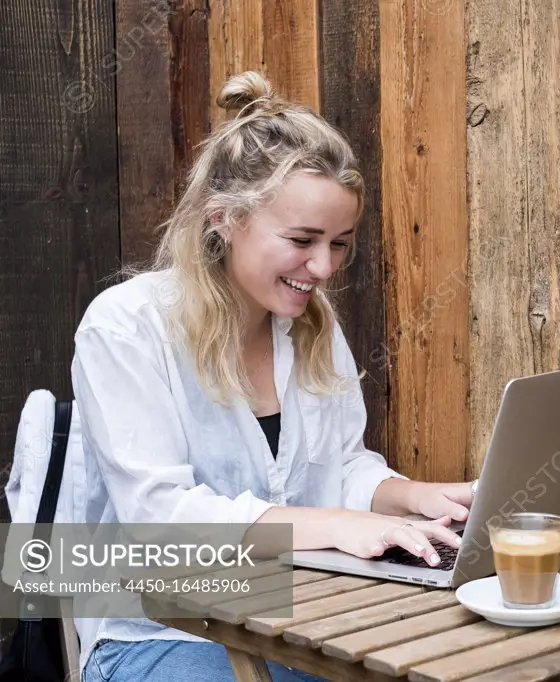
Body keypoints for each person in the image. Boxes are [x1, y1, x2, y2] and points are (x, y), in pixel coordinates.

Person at [70, 71, 471, 681]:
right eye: (303, 240)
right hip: (156, 631)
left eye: (340, 243)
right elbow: (162, 518)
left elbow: (340, 465)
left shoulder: (311, 324)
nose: (323, 267)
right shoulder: (126, 328)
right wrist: (339, 525)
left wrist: (414, 497)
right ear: (224, 218)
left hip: (300, 619)